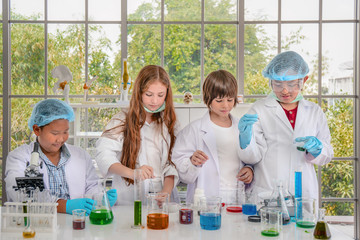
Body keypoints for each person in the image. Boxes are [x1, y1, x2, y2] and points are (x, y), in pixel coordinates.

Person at [238, 51, 333, 200]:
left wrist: (318, 149)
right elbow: (252, 157)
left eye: (291, 84)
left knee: (302, 222)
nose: (284, 90)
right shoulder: (260, 109)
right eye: (278, 84)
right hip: (268, 191)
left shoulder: (314, 111)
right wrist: (245, 139)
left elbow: (327, 154)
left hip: (304, 192)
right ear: (270, 81)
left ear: (304, 80)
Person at [5, 99, 117, 215]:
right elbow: (20, 193)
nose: (61, 139)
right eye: (54, 133)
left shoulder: (81, 155)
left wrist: (100, 199)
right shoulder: (19, 157)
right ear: (37, 130)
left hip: (76, 224)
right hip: (38, 224)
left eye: (65, 132)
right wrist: (62, 205)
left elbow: (92, 187)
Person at [95, 65, 179, 205]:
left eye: (160, 95)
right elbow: (103, 156)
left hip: (162, 199)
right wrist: (133, 173)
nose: (154, 101)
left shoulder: (171, 124)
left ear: (167, 94)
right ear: (138, 93)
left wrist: (166, 191)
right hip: (128, 198)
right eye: (148, 94)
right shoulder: (121, 120)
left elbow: (173, 164)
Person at [172, 70, 254, 204]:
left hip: (237, 198)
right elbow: (181, 173)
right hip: (205, 199)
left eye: (230, 100)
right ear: (207, 98)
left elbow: (252, 157)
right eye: (219, 100)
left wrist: (250, 169)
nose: (226, 105)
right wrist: (192, 162)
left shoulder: (242, 128)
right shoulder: (193, 131)